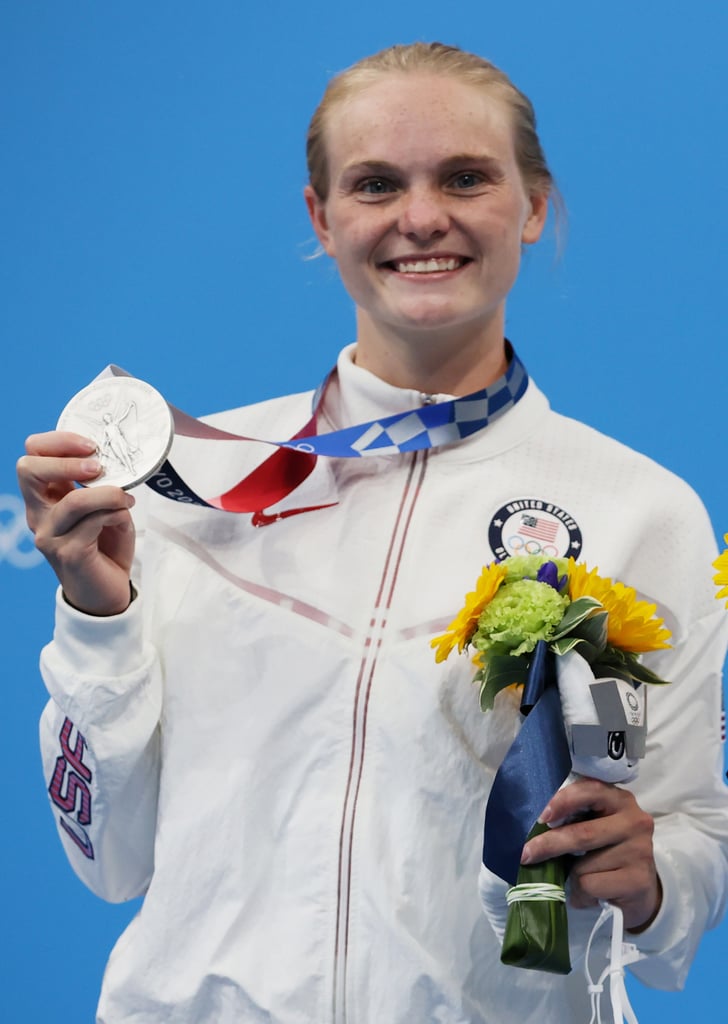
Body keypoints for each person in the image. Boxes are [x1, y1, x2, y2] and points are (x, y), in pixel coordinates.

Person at [17, 41, 728, 1024]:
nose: (420, 216)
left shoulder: (639, 510)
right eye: (375, 183)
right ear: (322, 217)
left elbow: (692, 834)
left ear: (531, 205)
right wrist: (98, 616)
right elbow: (107, 858)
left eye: (465, 177)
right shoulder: (197, 482)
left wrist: (651, 877)